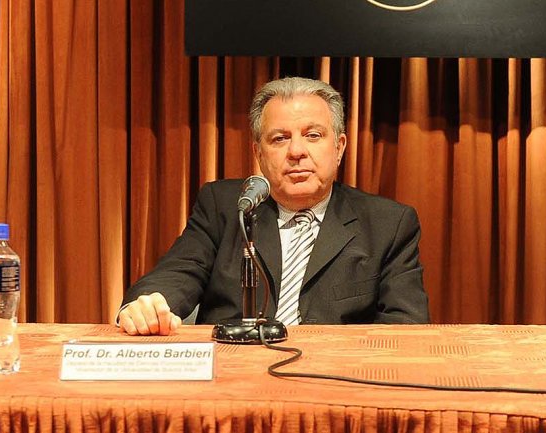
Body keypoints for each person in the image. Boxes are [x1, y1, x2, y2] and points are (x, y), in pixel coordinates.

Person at [118, 77, 429, 335]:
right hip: (234, 372)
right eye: (279, 138)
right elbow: (177, 273)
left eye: (313, 135)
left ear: (339, 147)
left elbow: (406, 328)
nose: (296, 151)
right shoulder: (226, 207)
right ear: (258, 153)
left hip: (333, 379)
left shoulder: (388, 224)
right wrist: (148, 305)